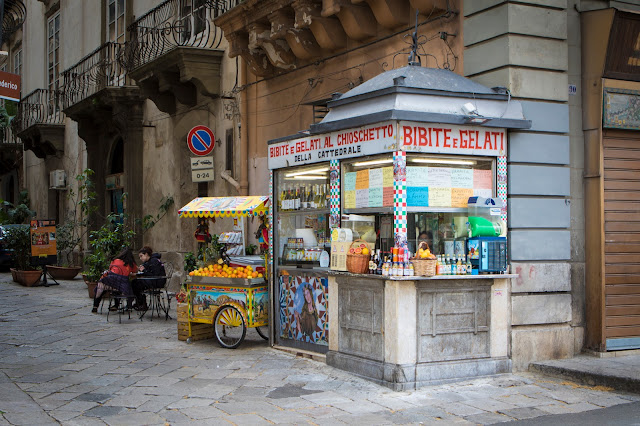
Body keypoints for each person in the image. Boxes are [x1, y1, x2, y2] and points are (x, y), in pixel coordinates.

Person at [92, 248, 137, 313]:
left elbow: (110, 269)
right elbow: (134, 272)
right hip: (122, 285)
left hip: (109, 281)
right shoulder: (131, 264)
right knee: (118, 289)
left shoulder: (115, 261)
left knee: (101, 288)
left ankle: (95, 306)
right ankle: (119, 305)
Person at [132, 246, 166, 311]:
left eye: (141, 256)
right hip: (153, 280)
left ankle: (142, 303)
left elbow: (154, 275)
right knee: (135, 282)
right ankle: (140, 302)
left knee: (136, 284)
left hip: (157, 281)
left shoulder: (154, 261)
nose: (140, 258)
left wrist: (144, 271)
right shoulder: (148, 262)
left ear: (146, 254)